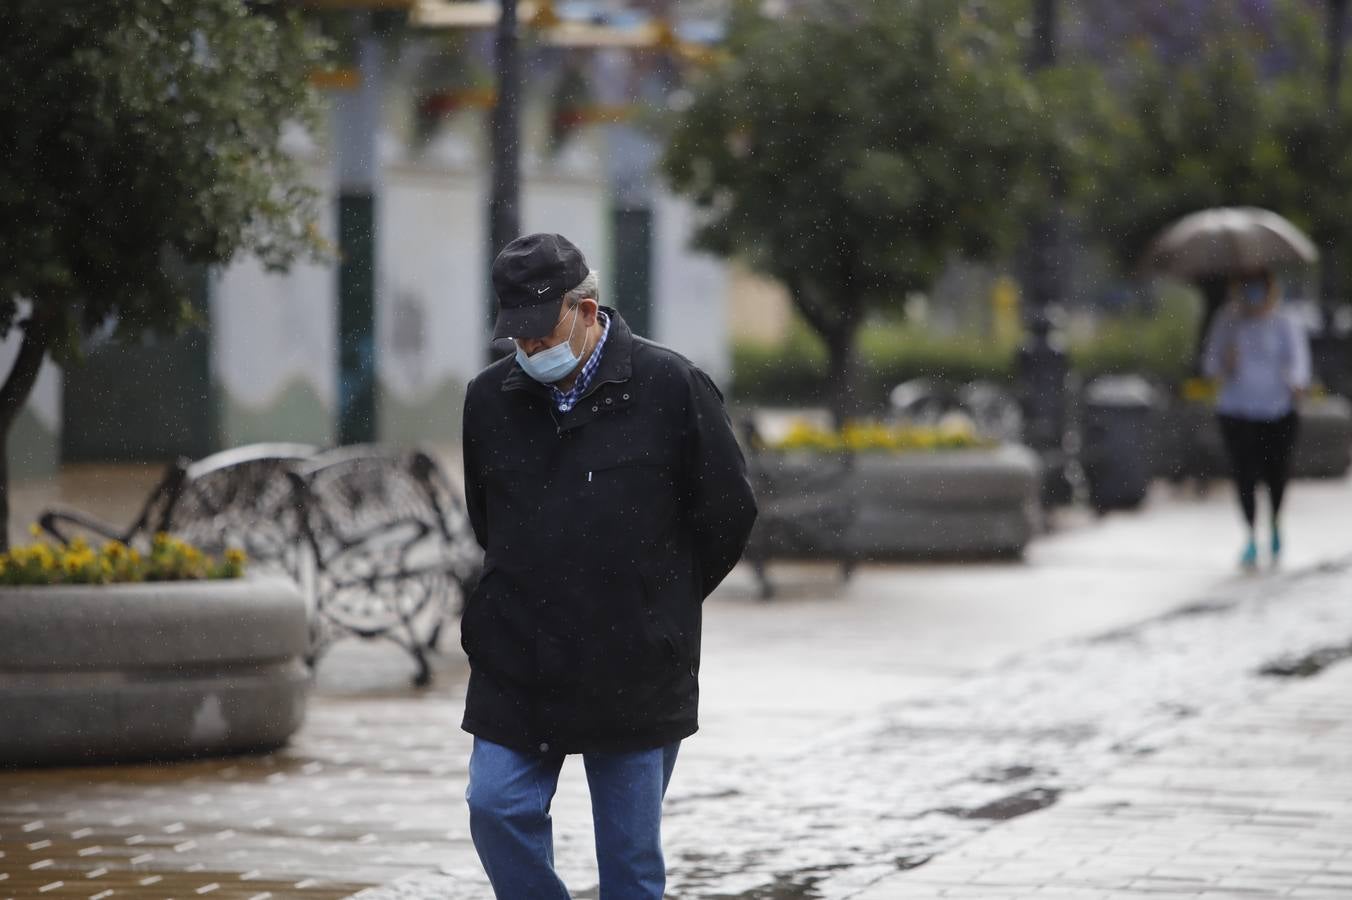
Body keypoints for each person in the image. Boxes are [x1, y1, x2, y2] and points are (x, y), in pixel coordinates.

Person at [459, 233, 758, 899]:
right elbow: (489, 518)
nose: (532, 349)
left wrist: (659, 599)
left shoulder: (672, 387)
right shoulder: (488, 400)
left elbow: (728, 513)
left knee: (629, 864)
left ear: (587, 311)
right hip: (519, 656)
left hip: (635, 659)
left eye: (544, 332)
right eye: (519, 337)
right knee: (495, 806)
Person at [1201, 269, 1311, 568]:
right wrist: (1226, 361)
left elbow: (1300, 362)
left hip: (1278, 409)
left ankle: (1275, 522)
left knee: (1276, 474)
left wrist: (1297, 382)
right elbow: (1210, 366)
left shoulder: (1285, 322)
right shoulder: (1228, 321)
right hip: (1238, 410)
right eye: (1247, 285)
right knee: (1244, 475)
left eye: (1259, 286)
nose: (1253, 291)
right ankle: (1250, 533)